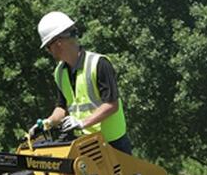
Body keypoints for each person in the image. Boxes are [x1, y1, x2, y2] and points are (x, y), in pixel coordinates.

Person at [29, 11, 133, 155]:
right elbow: (62, 107)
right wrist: (47, 123)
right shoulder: (60, 72)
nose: (48, 51)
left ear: (58, 43)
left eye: (48, 46)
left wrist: (82, 123)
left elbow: (111, 104)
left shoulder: (99, 64)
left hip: (113, 144)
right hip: (86, 144)